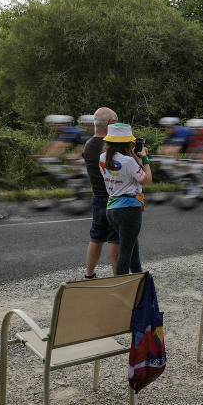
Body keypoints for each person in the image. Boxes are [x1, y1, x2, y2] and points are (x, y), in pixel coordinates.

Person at [98, 123, 152, 275]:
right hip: (129, 209)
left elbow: (129, 166)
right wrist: (145, 158)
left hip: (112, 208)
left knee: (132, 245)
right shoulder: (127, 161)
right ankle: (122, 287)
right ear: (127, 143)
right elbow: (146, 180)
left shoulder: (103, 158)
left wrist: (133, 154)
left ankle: (138, 277)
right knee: (125, 253)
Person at [81, 107, 119, 279]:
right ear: (110, 122)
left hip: (97, 198)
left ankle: (89, 274)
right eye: (116, 121)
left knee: (96, 237)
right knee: (115, 239)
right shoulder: (111, 145)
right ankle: (118, 277)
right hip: (115, 197)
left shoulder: (88, 145)